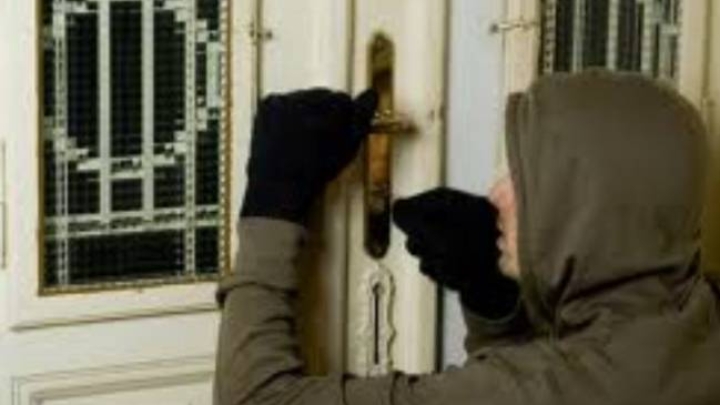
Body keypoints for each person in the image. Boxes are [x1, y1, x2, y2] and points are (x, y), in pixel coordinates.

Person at [214, 71, 720, 405]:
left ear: (594, 209)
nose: (497, 193)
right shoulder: (696, 323)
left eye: (527, 178)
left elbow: (253, 399)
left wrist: (272, 202)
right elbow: (568, 374)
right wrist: (495, 300)